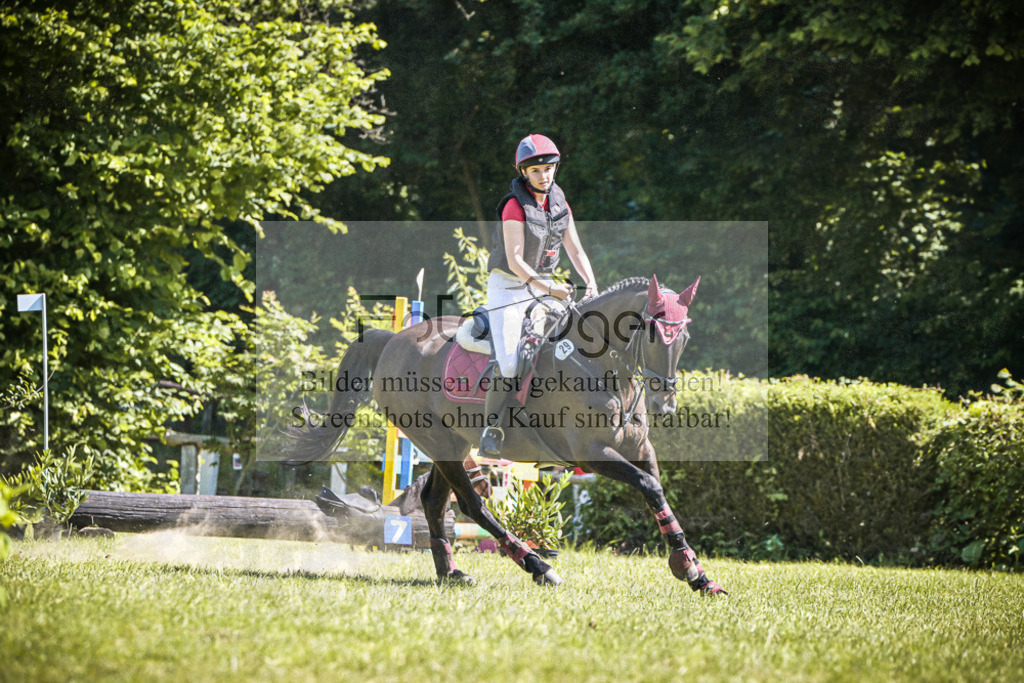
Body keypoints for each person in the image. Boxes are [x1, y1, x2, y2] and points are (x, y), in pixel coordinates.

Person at [479, 133, 598, 457]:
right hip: (509, 288)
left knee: (568, 342)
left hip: (543, 284)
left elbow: (575, 249)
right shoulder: (514, 206)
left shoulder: (559, 202)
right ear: (523, 172)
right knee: (508, 361)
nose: (544, 175)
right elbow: (515, 260)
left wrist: (592, 284)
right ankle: (492, 428)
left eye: (548, 168)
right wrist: (550, 289)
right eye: (535, 171)